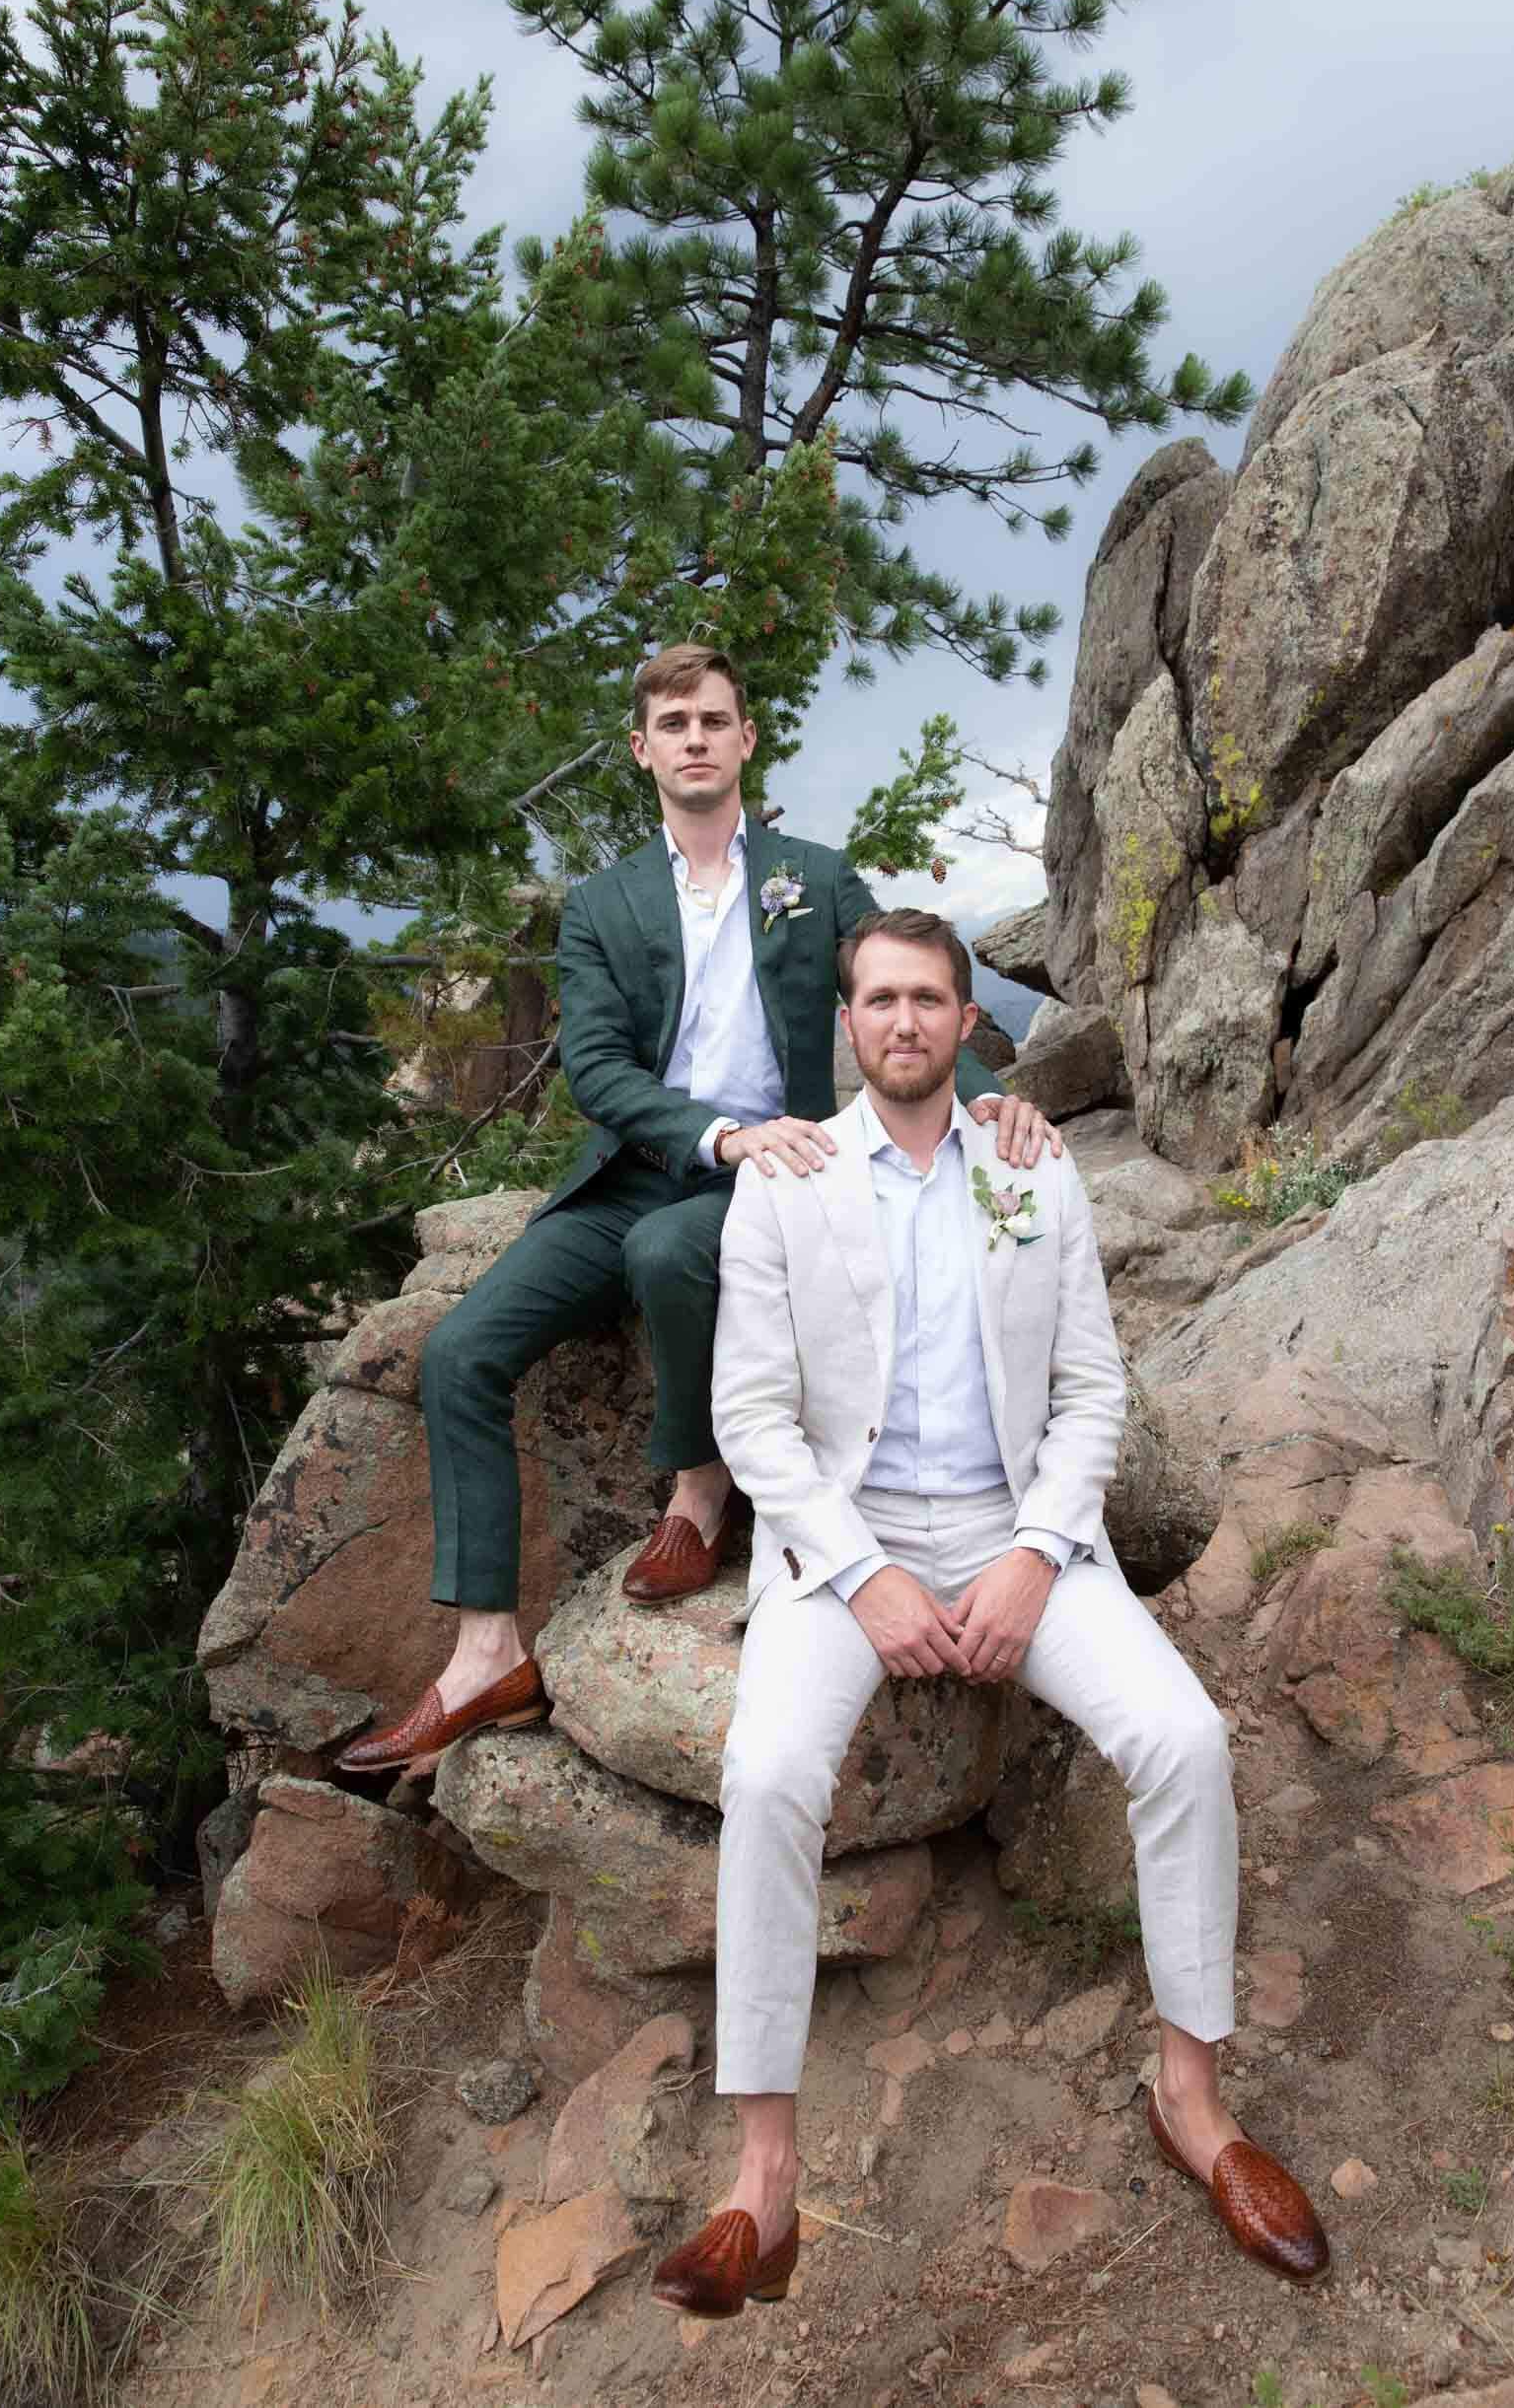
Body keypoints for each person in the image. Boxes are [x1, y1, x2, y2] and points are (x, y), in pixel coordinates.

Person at [649, 908, 1330, 2316]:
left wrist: (1032, 1554)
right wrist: (864, 1576)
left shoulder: (1031, 1170)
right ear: (849, 1024)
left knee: (1183, 1740)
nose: (903, 1022)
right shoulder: (786, 1182)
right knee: (767, 1774)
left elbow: (1088, 1392)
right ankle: (762, 2175)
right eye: (878, 1000)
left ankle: (1188, 2096)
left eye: (929, 1001)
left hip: (1017, 1529)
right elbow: (751, 1420)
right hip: (843, 1546)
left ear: (968, 1024)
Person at [339, 651, 1058, 1781]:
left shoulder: (812, 878)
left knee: (672, 1251)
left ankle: (699, 1489)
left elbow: (900, 992)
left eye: (713, 720)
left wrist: (991, 1098)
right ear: (642, 748)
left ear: (745, 740)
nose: (693, 739)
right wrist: (709, 1133)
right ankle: (485, 1651)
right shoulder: (603, 903)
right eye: (671, 723)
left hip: (772, 1177)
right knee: (461, 1353)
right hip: (640, 1163)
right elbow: (592, 1066)